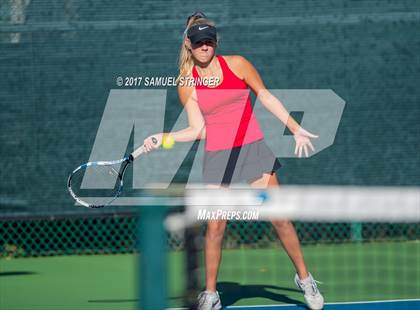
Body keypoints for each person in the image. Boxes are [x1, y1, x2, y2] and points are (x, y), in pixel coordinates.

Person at [143, 12, 324, 310]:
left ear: (216, 42)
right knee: (215, 228)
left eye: (209, 42)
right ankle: (211, 294)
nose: (205, 47)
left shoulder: (237, 65)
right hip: (218, 156)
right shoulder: (187, 83)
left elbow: (264, 96)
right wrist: (165, 138)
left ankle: (305, 279)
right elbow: (198, 129)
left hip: (252, 149)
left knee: (280, 218)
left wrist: (294, 126)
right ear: (189, 44)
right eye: (199, 42)